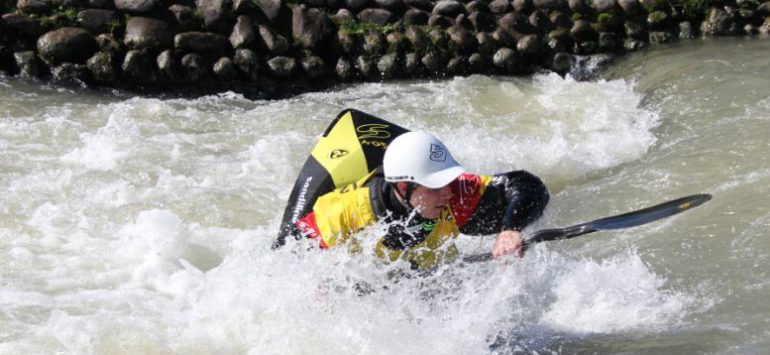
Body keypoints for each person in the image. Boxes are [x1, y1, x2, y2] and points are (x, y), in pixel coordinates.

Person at [288, 131, 549, 271]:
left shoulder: (453, 195)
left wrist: (509, 229)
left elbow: (528, 186)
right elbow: (292, 254)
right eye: (437, 186)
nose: (448, 193)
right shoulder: (343, 214)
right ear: (404, 187)